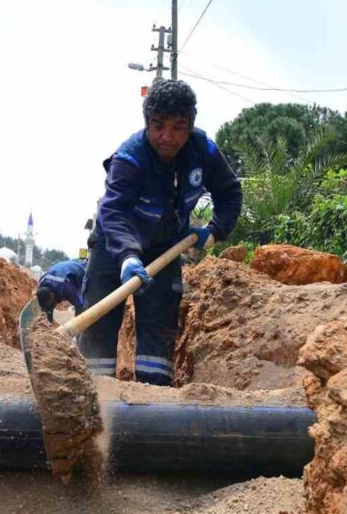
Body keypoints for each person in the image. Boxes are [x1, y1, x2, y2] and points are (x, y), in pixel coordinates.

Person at [79, 80, 242, 385]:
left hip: (165, 248)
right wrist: (127, 257)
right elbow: (113, 212)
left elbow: (230, 193)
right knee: (98, 330)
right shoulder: (129, 158)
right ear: (147, 123)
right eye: (158, 126)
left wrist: (215, 230)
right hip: (112, 246)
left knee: (159, 333)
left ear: (190, 126)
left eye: (178, 127)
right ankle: (94, 402)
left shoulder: (203, 152)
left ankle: (151, 408)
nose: (167, 137)